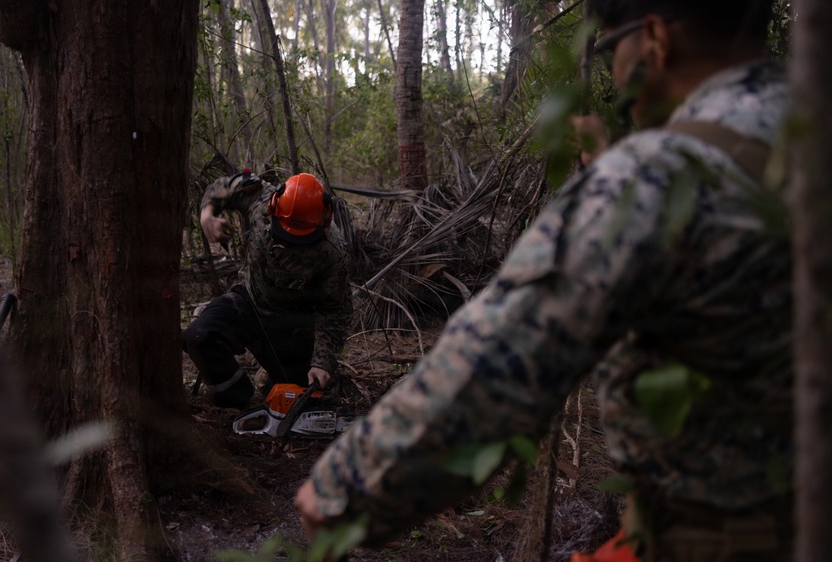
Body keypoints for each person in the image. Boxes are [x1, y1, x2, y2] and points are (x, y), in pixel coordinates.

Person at [296, 1, 792, 560]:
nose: (613, 72)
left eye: (612, 48)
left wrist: (349, 485)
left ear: (654, 40)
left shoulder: (652, 177)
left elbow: (501, 362)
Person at [184, 171, 352, 408]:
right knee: (199, 337)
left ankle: (269, 378)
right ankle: (237, 405)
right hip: (249, 301)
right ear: (274, 207)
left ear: (323, 220)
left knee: (301, 399)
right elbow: (223, 185)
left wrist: (322, 362)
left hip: (292, 325)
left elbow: (335, 311)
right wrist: (207, 215)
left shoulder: (333, 252)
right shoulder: (260, 198)